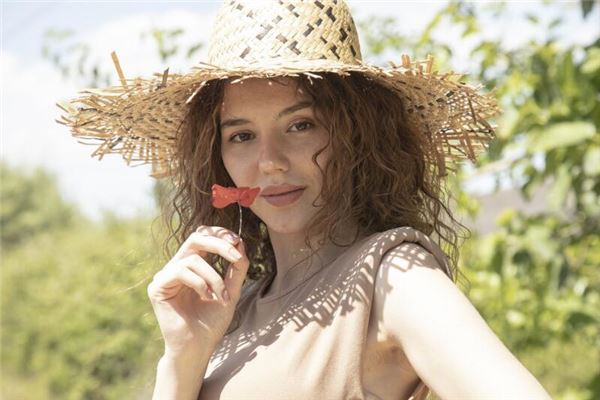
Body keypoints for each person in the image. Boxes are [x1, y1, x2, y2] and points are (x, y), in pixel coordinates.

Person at [57, 1, 553, 399]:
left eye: (301, 125)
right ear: (217, 157)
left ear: (357, 135)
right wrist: (181, 359)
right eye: (241, 136)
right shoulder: (233, 307)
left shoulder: (393, 277)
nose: (270, 161)